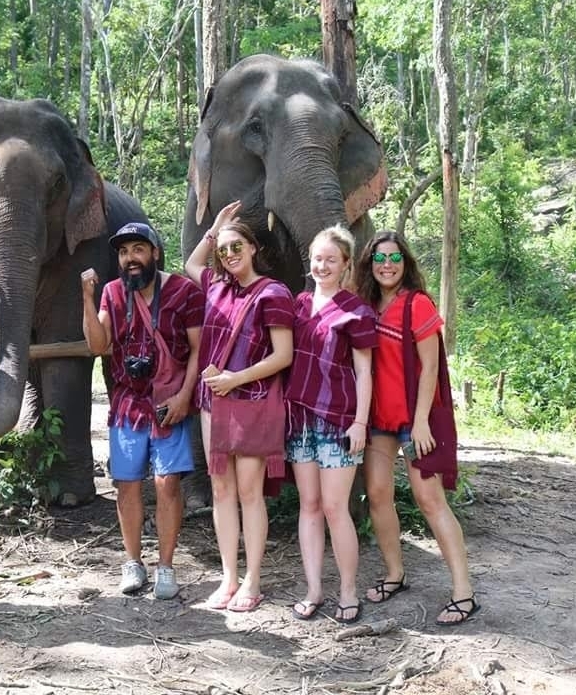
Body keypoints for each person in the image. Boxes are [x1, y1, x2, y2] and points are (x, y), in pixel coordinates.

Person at [354, 231, 479, 626]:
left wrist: (422, 419)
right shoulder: (367, 305)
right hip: (378, 420)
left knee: (430, 500)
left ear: (405, 263)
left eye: (394, 258)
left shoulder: (417, 304)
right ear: (369, 264)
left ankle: (464, 593)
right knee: (376, 495)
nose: (386, 265)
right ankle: (395, 574)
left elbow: (430, 367)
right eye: (379, 258)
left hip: (414, 421)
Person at [81, 222, 205, 600]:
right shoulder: (114, 294)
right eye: (122, 252)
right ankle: (133, 562)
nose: (129, 259)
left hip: (170, 401)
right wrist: (87, 298)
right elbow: (98, 345)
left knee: (167, 484)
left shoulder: (184, 291)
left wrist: (186, 395)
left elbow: (199, 349)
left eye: (137, 249)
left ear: (154, 252)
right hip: (127, 403)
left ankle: (166, 566)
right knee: (126, 484)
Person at [184, 201, 294, 613]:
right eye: (224, 249)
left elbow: (282, 355)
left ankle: (253, 580)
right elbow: (191, 262)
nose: (229, 255)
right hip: (214, 404)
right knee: (221, 490)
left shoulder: (274, 293)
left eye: (236, 247)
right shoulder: (215, 285)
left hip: (252, 402)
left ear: (252, 249)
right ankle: (228, 577)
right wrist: (215, 227)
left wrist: (236, 378)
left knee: (250, 492)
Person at [284, 226, 376, 624]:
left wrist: (360, 422)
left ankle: (349, 591)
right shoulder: (299, 304)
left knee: (337, 508)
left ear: (345, 265)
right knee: (310, 506)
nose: (321, 266)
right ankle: (314, 589)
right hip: (299, 419)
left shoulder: (356, 311)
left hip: (339, 420)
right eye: (317, 258)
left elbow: (365, 372)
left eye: (330, 260)